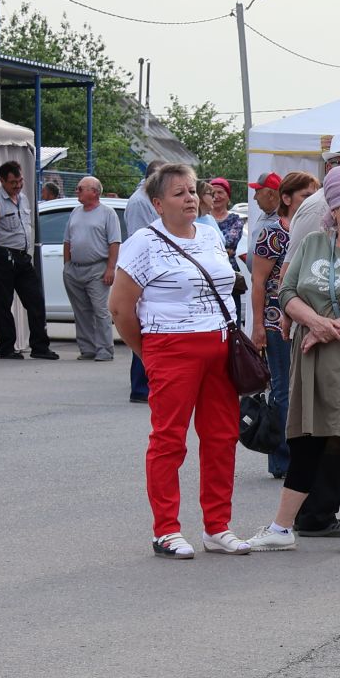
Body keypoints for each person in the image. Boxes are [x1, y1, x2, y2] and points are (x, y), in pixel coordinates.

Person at [247, 166, 340, 556]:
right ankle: (282, 528)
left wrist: (324, 328)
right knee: (307, 441)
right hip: (315, 359)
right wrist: (313, 321)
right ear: (333, 208)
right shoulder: (313, 243)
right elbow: (287, 290)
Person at [107, 164, 251, 558]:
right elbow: (120, 308)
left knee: (222, 437)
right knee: (169, 441)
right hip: (171, 347)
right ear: (157, 203)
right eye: (178, 193)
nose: (190, 198)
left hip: (220, 347)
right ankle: (166, 530)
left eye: (192, 191)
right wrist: (150, 352)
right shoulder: (143, 242)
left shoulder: (208, 233)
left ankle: (217, 526)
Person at [249, 171, 320, 479]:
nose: (311, 201)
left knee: (307, 390)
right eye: (305, 195)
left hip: (309, 318)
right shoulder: (274, 232)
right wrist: (258, 326)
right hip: (278, 322)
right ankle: (282, 459)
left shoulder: (316, 230)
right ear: (287, 199)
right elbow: (258, 281)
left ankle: (304, 455)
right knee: (282, 388)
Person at [0, 160, 56, 359]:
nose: (18, 185)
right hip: (4, 256)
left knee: (36, 300)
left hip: (22, 257)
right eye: (13, 182)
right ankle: (7, 347)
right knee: (4, 304)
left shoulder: (22, 198)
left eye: (20, 180)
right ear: (2, 181)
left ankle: (40, 347)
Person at [60, 176, 121, 361]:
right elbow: (67, 240)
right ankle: (87, 348)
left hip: (97, 268)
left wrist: (110, 268)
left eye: (80, 188)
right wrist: (67, 266)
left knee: (100, 310)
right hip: (75, 269)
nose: (76, 191)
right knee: (81, 310)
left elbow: (114, 242)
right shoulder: (75, 212)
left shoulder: (108, 213)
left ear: (94, 192)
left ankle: (104, 350)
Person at [122, 163, 167, 400]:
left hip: (155, 272)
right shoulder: (140, 202)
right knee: (147, 329)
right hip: (147, 273)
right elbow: (142, 240)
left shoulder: (149, 199)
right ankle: (140, 387)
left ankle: (147, 383)